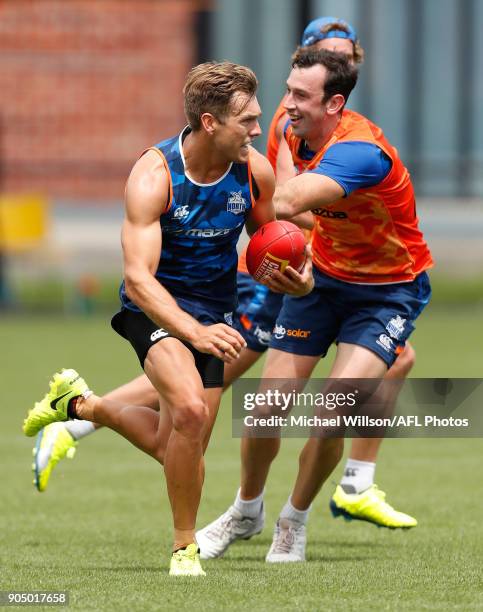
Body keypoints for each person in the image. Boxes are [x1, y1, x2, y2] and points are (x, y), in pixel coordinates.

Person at [31, 16, 418, 530]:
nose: (341, 64)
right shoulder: (283, 122)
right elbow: (283, 208)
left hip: (287, 265)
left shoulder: (330, 128)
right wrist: (335, 217)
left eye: (348, 58)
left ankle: (354, 482)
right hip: (253, 271)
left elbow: (281, 215)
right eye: (330, 54)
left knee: (394, 356)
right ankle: (84, 423)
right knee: (204, 391)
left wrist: (318, 241)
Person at [22, 60, 313, 576]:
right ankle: (185, 548)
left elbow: (269, 248)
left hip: (215, 310)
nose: (255, 131)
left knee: (178, 446)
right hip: (153, 307)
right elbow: (138, 279)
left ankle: (81, 404)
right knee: (191, 413)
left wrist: (297, 278)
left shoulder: (254, 173)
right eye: (246, 121)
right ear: (209, 122)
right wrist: (193, 330)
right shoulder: (155, 176)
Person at [195, 48, 433, 563]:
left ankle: (292, 522)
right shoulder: (289, 125)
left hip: (388, 290)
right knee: (265, 408)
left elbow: (282, 202)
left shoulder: (360, 151)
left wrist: (211, 172)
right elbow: (292, 221)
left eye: (301, 95)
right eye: (287, 90)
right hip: (322, 279)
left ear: (336, 103)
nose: (287, 104)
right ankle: (246, 510)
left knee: (332, 412)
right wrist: (295, 270)